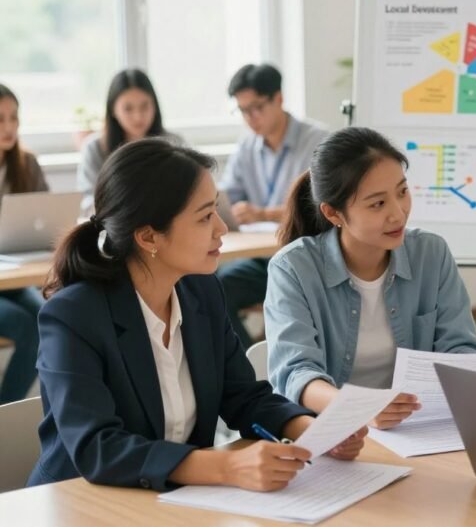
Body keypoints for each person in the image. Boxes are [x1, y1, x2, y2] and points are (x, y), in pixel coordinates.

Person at [30, 140, 366, 491]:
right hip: (84, 504)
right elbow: (98, 448)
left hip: (176, 502)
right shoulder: (73, 316)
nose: (222, 227)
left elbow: (243, 397)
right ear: (148, 237)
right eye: (205, 216)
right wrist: (226, 466)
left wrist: (313, 431)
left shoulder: (201, 292)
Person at [265, 127, 476, 429]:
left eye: (402, 192)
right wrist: (360, 409)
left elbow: (462, 350)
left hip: (415, 427)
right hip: (331, 431)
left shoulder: (431, 253)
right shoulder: (293, 268)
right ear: (333, 214)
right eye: (378, 204)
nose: (398, 214)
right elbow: (296, 373)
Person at [217, 63, 329, 349]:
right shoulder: (246, 147)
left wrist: (262, 213)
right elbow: (227, 197)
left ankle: (254, 371)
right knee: (207, 286)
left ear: (278, 98)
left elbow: (320, 205)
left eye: (257, 107)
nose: (251, 118)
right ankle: (247, 367)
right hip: (261, 255)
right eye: (243, 110)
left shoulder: (318, 141)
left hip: (304, 256)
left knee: (222, 286)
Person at [77, 69, 183, 213]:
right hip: (115, 228)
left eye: (145, 106)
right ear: (113, 110)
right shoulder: (95, 148)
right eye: (128, 109)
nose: (138, 116)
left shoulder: (175, 144)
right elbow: (88, 202)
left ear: (155, 106)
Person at [0, 84, 48, 404]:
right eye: (0, 119)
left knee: (48, 320)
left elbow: (46, 219)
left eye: (14, 117)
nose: (9, 127)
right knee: (25, 324)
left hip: (13, 279)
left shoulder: (26, 164)